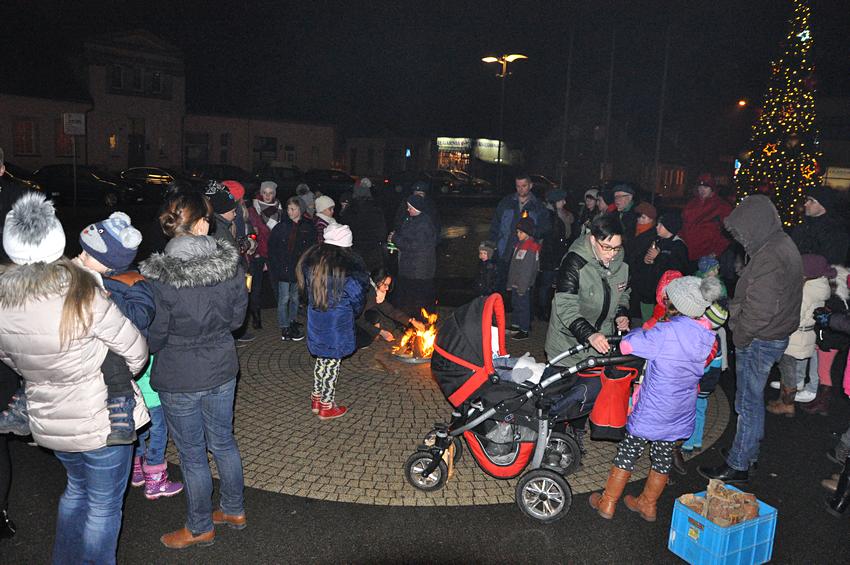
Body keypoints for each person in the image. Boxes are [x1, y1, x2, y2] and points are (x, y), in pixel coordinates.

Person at [0, 192, 150, 563]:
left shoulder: (4, 302)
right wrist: (105, 367)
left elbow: (10, 358)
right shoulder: (81, 294)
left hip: (49, 420)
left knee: (75, 492)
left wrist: (43, 375)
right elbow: (136, 352)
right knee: (102, 506)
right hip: (101, 420)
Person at [139, 190, 249, 549]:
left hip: (180, 374)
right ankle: (233, 509)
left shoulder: (160, 277)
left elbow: (155, 336)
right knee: (223, 441)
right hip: (221, 367)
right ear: (201, 224)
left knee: (192, 453)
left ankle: (200, 526)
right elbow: (237, 321)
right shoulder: (230, 265)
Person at [589, 276, 720, 521]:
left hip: (653, 407)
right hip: (681, 409)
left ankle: (607, 502)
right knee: (662, 455)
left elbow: (628, 346)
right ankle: (648, 505)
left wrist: (640, 331)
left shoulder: (664, 332)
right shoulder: (707, 336)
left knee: (628, 451)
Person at [699, 194, 803, 484]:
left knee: (747, 403)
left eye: (742, 232)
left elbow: (759, 311)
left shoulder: (770, 255)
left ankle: (739, 464)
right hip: (772, 334)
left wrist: (740, 337)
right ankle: (746, 452)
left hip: (759, 339)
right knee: (752, 401)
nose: (740, 239)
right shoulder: (780, 243)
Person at [297, 223, 369, 419]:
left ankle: (316, 398)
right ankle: (327, 405)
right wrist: (352, 312)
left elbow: (305, 292)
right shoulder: (347, 269)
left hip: (317, 318)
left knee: (322, 359)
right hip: (337, 322)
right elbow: (357, 298)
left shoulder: (314, 263)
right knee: (333, 363)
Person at [545, 213, 630, 369]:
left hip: (602, 343)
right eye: (606, 247)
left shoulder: (621, 261)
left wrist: (621, 312)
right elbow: (565, 306)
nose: (612, 254)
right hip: (568, 344)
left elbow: (624, 290)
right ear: (592, 240)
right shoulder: (574, 262)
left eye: (617, 248)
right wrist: (590, 334)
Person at [766, 254, 833, 417]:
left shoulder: (807, 290)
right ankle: (783, 401)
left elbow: (795, 314)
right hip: (804, 334)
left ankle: (787, 405)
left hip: (796, 335)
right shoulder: (819, 286)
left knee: (787, 369)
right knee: (789, 369)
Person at [802, 265, 850, 416]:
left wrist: (823, 340)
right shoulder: (842, 299)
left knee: (824, 372)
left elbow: (833, 323)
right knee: (824, 370)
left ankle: (823, 403)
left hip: (829, 341)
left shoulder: (834, 301)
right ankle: (820, 399)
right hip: (832, 340)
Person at [489, 173, 551, 288]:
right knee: (500, 287)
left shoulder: (538, 206)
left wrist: (531, 232)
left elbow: (545, 228)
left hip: (526, 256)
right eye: (518, 186)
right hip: (505, 253)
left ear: (530, 185)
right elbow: (495, 225)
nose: (521, 189)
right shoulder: (506, 202)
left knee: (521, 290)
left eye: (524, 186)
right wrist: (492, 246)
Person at [268, 196, 316, 341]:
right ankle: (284, 326)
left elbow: (311, 248)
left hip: (298, 268)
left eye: (293, 209)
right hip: (284, 268)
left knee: (295, 297)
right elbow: (273, 247)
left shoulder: (308, 227)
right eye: (288, 209)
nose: (290, 212)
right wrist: (276, 265)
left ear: (300, 210)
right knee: (284, 298)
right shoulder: (281, 226)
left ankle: (292, 320)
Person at [683, 302, 728, 454]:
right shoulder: (716, 339)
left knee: (690, 413)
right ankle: (697, 440)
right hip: (706, 384)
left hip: (695, 384)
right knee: (700, 412)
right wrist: (709, 386)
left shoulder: (701, 337)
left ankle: (688, 443)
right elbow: (716, 366)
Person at [630, 211, 689, 323]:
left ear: (669, 227)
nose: (657, 227)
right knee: (647, 321)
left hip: (664, 296)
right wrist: (645, 260)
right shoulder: (656, 241)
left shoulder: (678, 246)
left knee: (660, 322)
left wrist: (659, 257)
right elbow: (641, 259)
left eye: (660, 225)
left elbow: (678, 269)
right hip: (648, 292)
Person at [391, 193, 439, 316]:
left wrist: (395, 239)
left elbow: (414, 246)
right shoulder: (412, 219)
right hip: (411, 267)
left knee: (417, 298)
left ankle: (418, 320)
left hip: (418, 270)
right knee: (411, 297)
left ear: (417, 208)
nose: (408, 210)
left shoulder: (423, 224)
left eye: (410, 207)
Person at [246, 181, 284, 329]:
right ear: (261, 193)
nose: (268, 196)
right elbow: (251, 232)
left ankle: (284, 318)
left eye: (271, 193)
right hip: (258, 253)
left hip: (274, 253)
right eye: (265, 192)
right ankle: (256, 317)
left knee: (277, 286)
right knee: (256, 287)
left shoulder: (280, 209)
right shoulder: (253, 210)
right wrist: (254, 251)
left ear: (275, 194)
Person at [355, 269, 424, 349]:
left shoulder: (376, 292)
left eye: (388, 285)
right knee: (365, 340)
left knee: (374, 317)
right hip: (349, 320)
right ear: (378, 281)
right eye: (385, 285)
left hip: (358, 317)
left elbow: (390, 311)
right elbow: (359, 319)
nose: (387, 288)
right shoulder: (368, 293)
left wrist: (411, 321)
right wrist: (380, 332)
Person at [678, 173, 733, 269]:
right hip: (688, 254)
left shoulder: (722, 207)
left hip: (709, 256)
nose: (702, 190)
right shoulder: (691, 205)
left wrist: (716, 252)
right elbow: (683, 225)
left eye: (706, 187)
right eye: (700, 187)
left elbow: (729, 233)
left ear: (712, 189)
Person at [538, 189, 574, 320]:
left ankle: (548, 309)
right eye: (561, 200)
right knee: (546, 285)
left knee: (553, 285)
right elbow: (549, 238)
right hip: (550, 257)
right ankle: (542, 310)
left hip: (557, 256)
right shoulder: (548, 217)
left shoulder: (561, 215)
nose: (564, 202)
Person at [791, 185, 849, 266]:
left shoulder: (836, 231)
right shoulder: (803, 226)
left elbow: (834, 261)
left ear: (823, 206)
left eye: (811, 201)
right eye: (807, 200)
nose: (806, 204)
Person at [339, 177, 388, 272]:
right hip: (373, 251)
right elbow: (382, 232)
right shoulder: (376, 209)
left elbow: (344, 230)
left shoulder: (349, 211)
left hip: (355, 250)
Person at [507, 217, 541, 341]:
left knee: (523, 306)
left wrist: (523, 286)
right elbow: (513, 265)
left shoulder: (531, 247)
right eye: (517, 232)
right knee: (516, 304)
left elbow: (528, 270)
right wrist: (510, 282)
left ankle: (524, 329)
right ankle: (516, 324)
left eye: (521, 232)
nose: (518, 234)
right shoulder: (519, 245)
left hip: (523, 284)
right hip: (516, 282)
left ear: (528, 233)